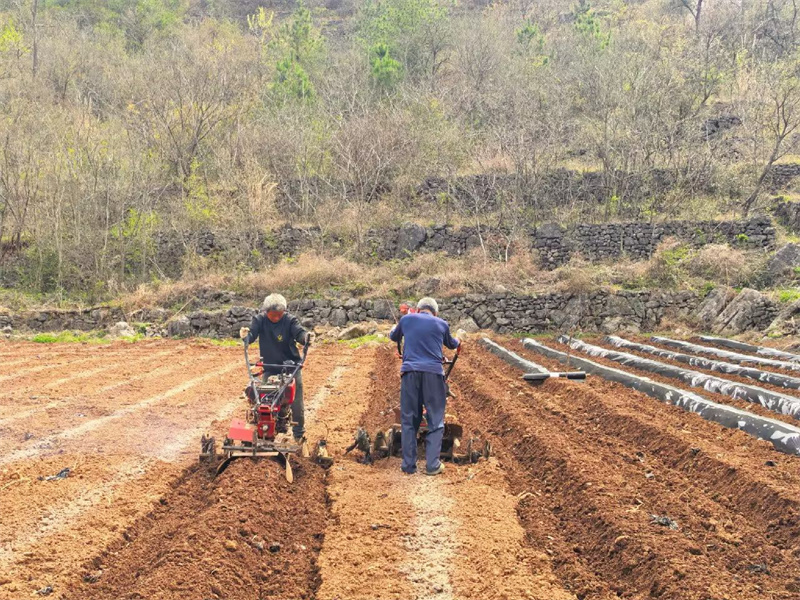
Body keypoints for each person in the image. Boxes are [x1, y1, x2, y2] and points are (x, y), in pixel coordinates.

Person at [389, 297, 461, 476]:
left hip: (410, 374)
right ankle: (432, 465)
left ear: (419, 310)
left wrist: (394, 328)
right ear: (435, 312)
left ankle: (408, 466)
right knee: (436, 420)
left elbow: (393, 336)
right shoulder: (441, 323)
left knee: (408, 420)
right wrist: (459, 342)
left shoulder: (406, 319)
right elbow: (452, 344)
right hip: (433, 375)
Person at [240, 293, 311, 442]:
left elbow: (299, 333)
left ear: (284, 312)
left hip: (291, 367)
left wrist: (306, 338)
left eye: (279, 314)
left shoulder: (290, 320)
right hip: (270, 367)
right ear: (266, 312)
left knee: (296, 404)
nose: (277, 318)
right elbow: (251, 335)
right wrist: (246, 335)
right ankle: (266, 434)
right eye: (273, 315)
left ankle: (299, 435)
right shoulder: (259, 320)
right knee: (265, 402)